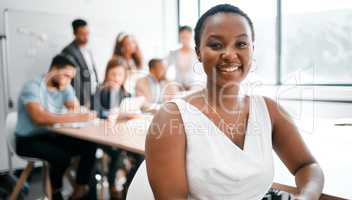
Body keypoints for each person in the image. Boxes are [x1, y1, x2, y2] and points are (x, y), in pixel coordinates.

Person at [145, 4, 324, 200]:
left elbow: (308, 166)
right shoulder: (172, 118)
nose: (229, 54)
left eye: (241, 44)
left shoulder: (269, 110)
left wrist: (305, 197)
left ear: (252, 49)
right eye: (215, 45)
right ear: (198, 52)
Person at [15, 54, 97, 200]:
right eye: (66, 75)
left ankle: (80, 188)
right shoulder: (33, 86)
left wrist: (80, 112)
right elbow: (39, 118)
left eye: (71, 77)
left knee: (90, 145)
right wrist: (75, 116)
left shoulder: (63, 86)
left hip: (49, 135)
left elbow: (76, 108)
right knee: (61, 157)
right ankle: (55, 191)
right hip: (27, 140)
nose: (68, 80)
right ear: (54, 70)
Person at [94, 57, 144, 199]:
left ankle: (128, 186)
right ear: (107, 74)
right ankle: (113, 187)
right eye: (113, 74)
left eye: (120, 75)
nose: (116, 78)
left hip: (122, 136)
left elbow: (132, 110)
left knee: (141, 155)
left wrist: (130, 114)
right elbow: (96, 114)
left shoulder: (125, 93)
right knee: (117, 153)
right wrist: (109, 115)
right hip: (104, 137)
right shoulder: (100, 91)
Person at [62, 19, 99, 108]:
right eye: (82, 34)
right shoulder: (68, 51)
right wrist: (81, 99)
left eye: (87, 33)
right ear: (75, 33)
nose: (86, 37)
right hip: (81, 97)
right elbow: (74, 79)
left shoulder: (88, 50)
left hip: (93, 93)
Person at [165, 26, 206, 91]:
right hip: (178, 83)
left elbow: (204, 68)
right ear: (179, 37)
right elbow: (164, 67)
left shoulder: (196, 53)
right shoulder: (173, 53)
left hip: (192, 83)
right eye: (183, 37)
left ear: (191, 37)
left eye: (187, 37)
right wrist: (167, 80)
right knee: (172, 89)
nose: (185, 40)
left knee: (195, 90)